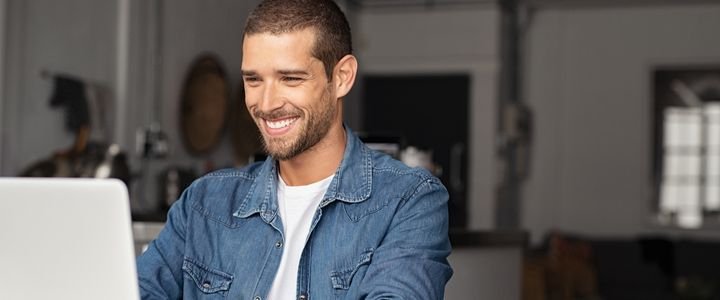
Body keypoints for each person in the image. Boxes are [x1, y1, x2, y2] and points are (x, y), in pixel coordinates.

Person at [136, 0, 453, 298]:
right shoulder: (203, 203)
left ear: (342, 77)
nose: (267, 104)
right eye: (254, 80)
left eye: (290, 78)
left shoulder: (409, 201)